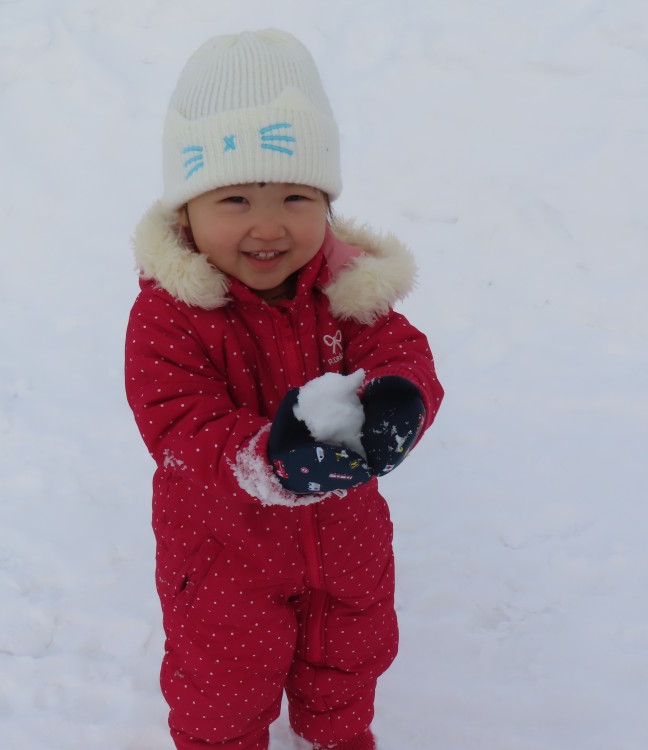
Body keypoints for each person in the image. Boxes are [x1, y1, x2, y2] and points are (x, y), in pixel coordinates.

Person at [124, 29, 443, 750]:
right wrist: (268, 459)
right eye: (235, 198)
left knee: (347, 664)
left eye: (295, 196)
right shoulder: (171, 316)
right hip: (223, 557)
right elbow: (179, 424)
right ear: (186, 212)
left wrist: (401, 397)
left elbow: (398, 350)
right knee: (222, 691)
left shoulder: (345, 290)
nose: (267, 225)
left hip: (347, 543)